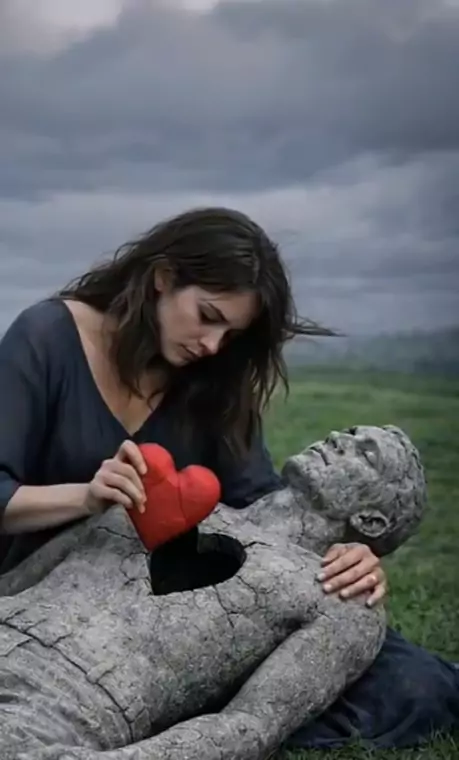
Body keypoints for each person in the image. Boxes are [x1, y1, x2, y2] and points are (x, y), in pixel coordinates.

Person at [0, 207, 457, 749]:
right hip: (50, 587)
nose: (213, 344)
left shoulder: (213, 378)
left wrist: (356, 553)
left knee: (421, 684)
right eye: (207, 315)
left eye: (231, 332)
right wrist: (86, 496)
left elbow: (262, 507)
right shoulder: (49, 337)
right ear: (162, 278)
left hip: (176, 602)